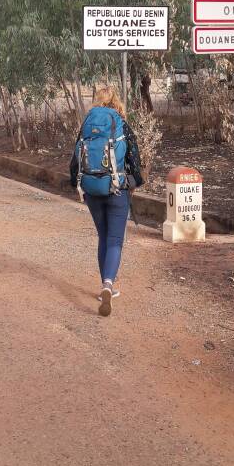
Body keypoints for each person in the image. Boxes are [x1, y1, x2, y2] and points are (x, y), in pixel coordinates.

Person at [70, 86, 143, 316]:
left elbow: (75, 160)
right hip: (116, 189)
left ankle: (105, 288)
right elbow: (134, 157)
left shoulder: (87, 125)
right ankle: (108, 285)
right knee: (115, 240)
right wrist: (135, 181)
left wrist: (77, 184)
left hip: (92, 189)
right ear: (116, 102)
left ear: (97, 102)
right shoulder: (121, 124)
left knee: (103, 236)